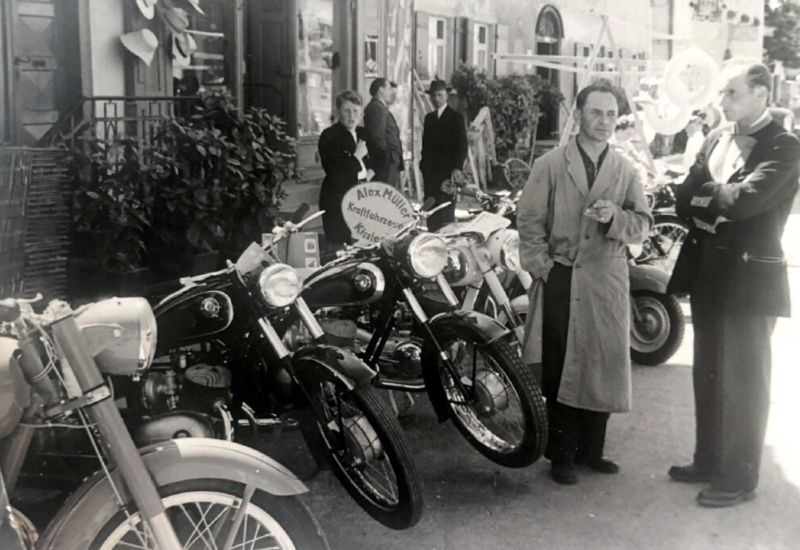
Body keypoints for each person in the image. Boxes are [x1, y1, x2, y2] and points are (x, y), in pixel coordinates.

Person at [667, 62, 800, 507]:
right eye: (722, 93)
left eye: (732, 93)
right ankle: (708, 460)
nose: (722, 101)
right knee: (708, 373)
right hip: (708, 271)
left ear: (762, 93)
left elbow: (746, 201)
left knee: (744, 380)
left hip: (750, 278)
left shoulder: (783, 145)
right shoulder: (715, 137)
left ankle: (739, 477)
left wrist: (711, 195)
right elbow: (683, 199)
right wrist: (716, 197)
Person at [517, 80, 652, 485]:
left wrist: (616, 217)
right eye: (596, 112)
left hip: (607, 278)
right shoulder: (551, 165)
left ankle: (593, 452)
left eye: (611, 114)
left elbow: (642, 225)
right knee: (562, 363)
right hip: (564, 275)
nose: (604, 121)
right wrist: (543, 267)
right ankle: (561, 455)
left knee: (603, 363)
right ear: (578, 115)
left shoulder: (625, 169)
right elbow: (529, 221)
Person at [317, 90, 373, 246]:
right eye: (347, 111)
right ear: (338, 112)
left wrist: (370, 172)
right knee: (341, 245)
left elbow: (380, 157)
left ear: (361, 113)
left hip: (362, 195)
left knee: (364, 245)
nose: (351, 116)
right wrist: (357, 157)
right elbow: (335, 171)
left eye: (355, 111)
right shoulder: (329, 136)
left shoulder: (363, 133)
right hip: (337, 198)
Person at [420, 79, 467, 231]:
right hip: (431, 174)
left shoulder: (456, 118)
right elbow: (425, 148)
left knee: (445, 213)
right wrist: (424, 167)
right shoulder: (429, 118)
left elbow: (461, 146)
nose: (436, 99)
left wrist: (457, 168)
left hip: (447, 173)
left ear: (447, 96)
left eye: (440, 95)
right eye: (434, 95)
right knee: (431, 212)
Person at [364, 78, 404, 187]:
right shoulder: (377, 108)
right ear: (381, 90)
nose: (391, 92)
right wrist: (387, 157)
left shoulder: (379, 107)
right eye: (389, 88)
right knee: (385, 192)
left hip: (387, 162)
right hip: (385, 163)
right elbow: (377, 137)